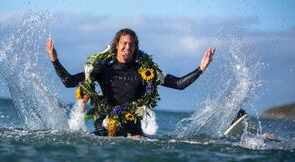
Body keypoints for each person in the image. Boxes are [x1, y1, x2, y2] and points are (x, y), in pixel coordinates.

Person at [47, 28, 215, 137]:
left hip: (135, 130)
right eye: (124, 43)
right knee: (107, 132)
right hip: (108, 127)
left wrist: (201, 68)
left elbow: (178, 84)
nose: (128, 47)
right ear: (116, 45)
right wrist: (54, 59)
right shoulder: (102, 70)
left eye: (132, 44)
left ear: (136, 48)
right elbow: (68, 82)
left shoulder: (146, 72)